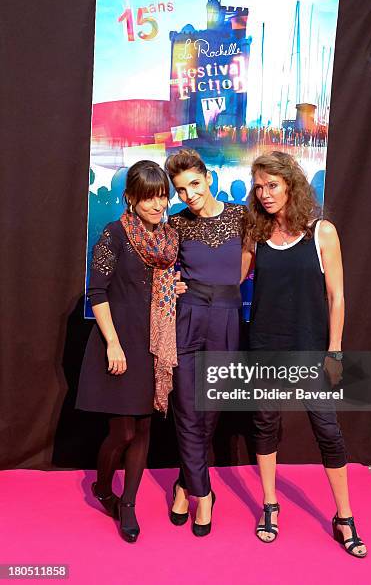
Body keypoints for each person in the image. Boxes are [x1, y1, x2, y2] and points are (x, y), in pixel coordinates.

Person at [243, 151, 367, 557]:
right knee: (265, 425)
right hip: (264, 347)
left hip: (314, 350)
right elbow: (230, 280)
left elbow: (337, 297)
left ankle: (344, 515)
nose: (264, 194)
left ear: (291, 185)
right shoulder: (255, 234)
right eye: (258, 187)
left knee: (328, 431)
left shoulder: (321, 232)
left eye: (272, 185)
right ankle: (270, 504)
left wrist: (335, 351)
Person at [76, 160, 178, 543]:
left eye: (163, 195)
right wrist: (113, 343)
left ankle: (129, 504)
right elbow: (97, 292)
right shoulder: (114, 233)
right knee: (122, 431)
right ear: (131, 198)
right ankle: (104, 489)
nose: (158, 204)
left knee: (145, 429)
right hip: (119, 343)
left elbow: (162, 286)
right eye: (149, 196)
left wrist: (175, 289)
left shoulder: (169, 239)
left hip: (153, 345)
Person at [165, 148, 246, 537]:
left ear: (208, 178)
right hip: (189, 314)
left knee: (210, 410)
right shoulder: (176, 224)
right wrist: (174, 285)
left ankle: (184, 484)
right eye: (181, 190)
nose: (189, 195)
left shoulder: (240, 217)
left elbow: (251, 264)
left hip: (227, 316)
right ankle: (204, 493)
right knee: (185, 405)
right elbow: (158, 271)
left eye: (194, 184)